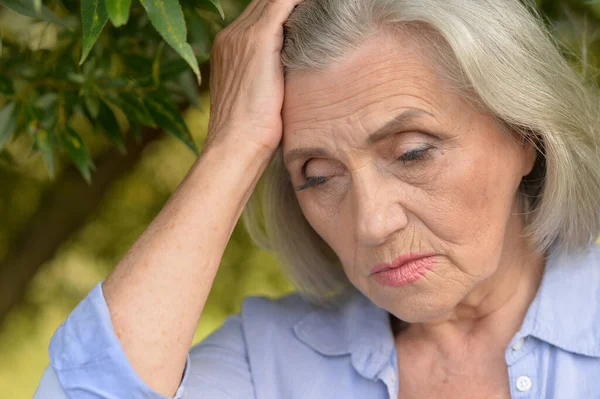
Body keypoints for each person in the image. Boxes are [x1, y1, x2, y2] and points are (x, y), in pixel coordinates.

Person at [34, 0, 600, 397]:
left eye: (411, 153)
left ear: (524, 133)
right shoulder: (269, 362)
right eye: (319, 176)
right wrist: (232, 148)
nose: (372, 222)